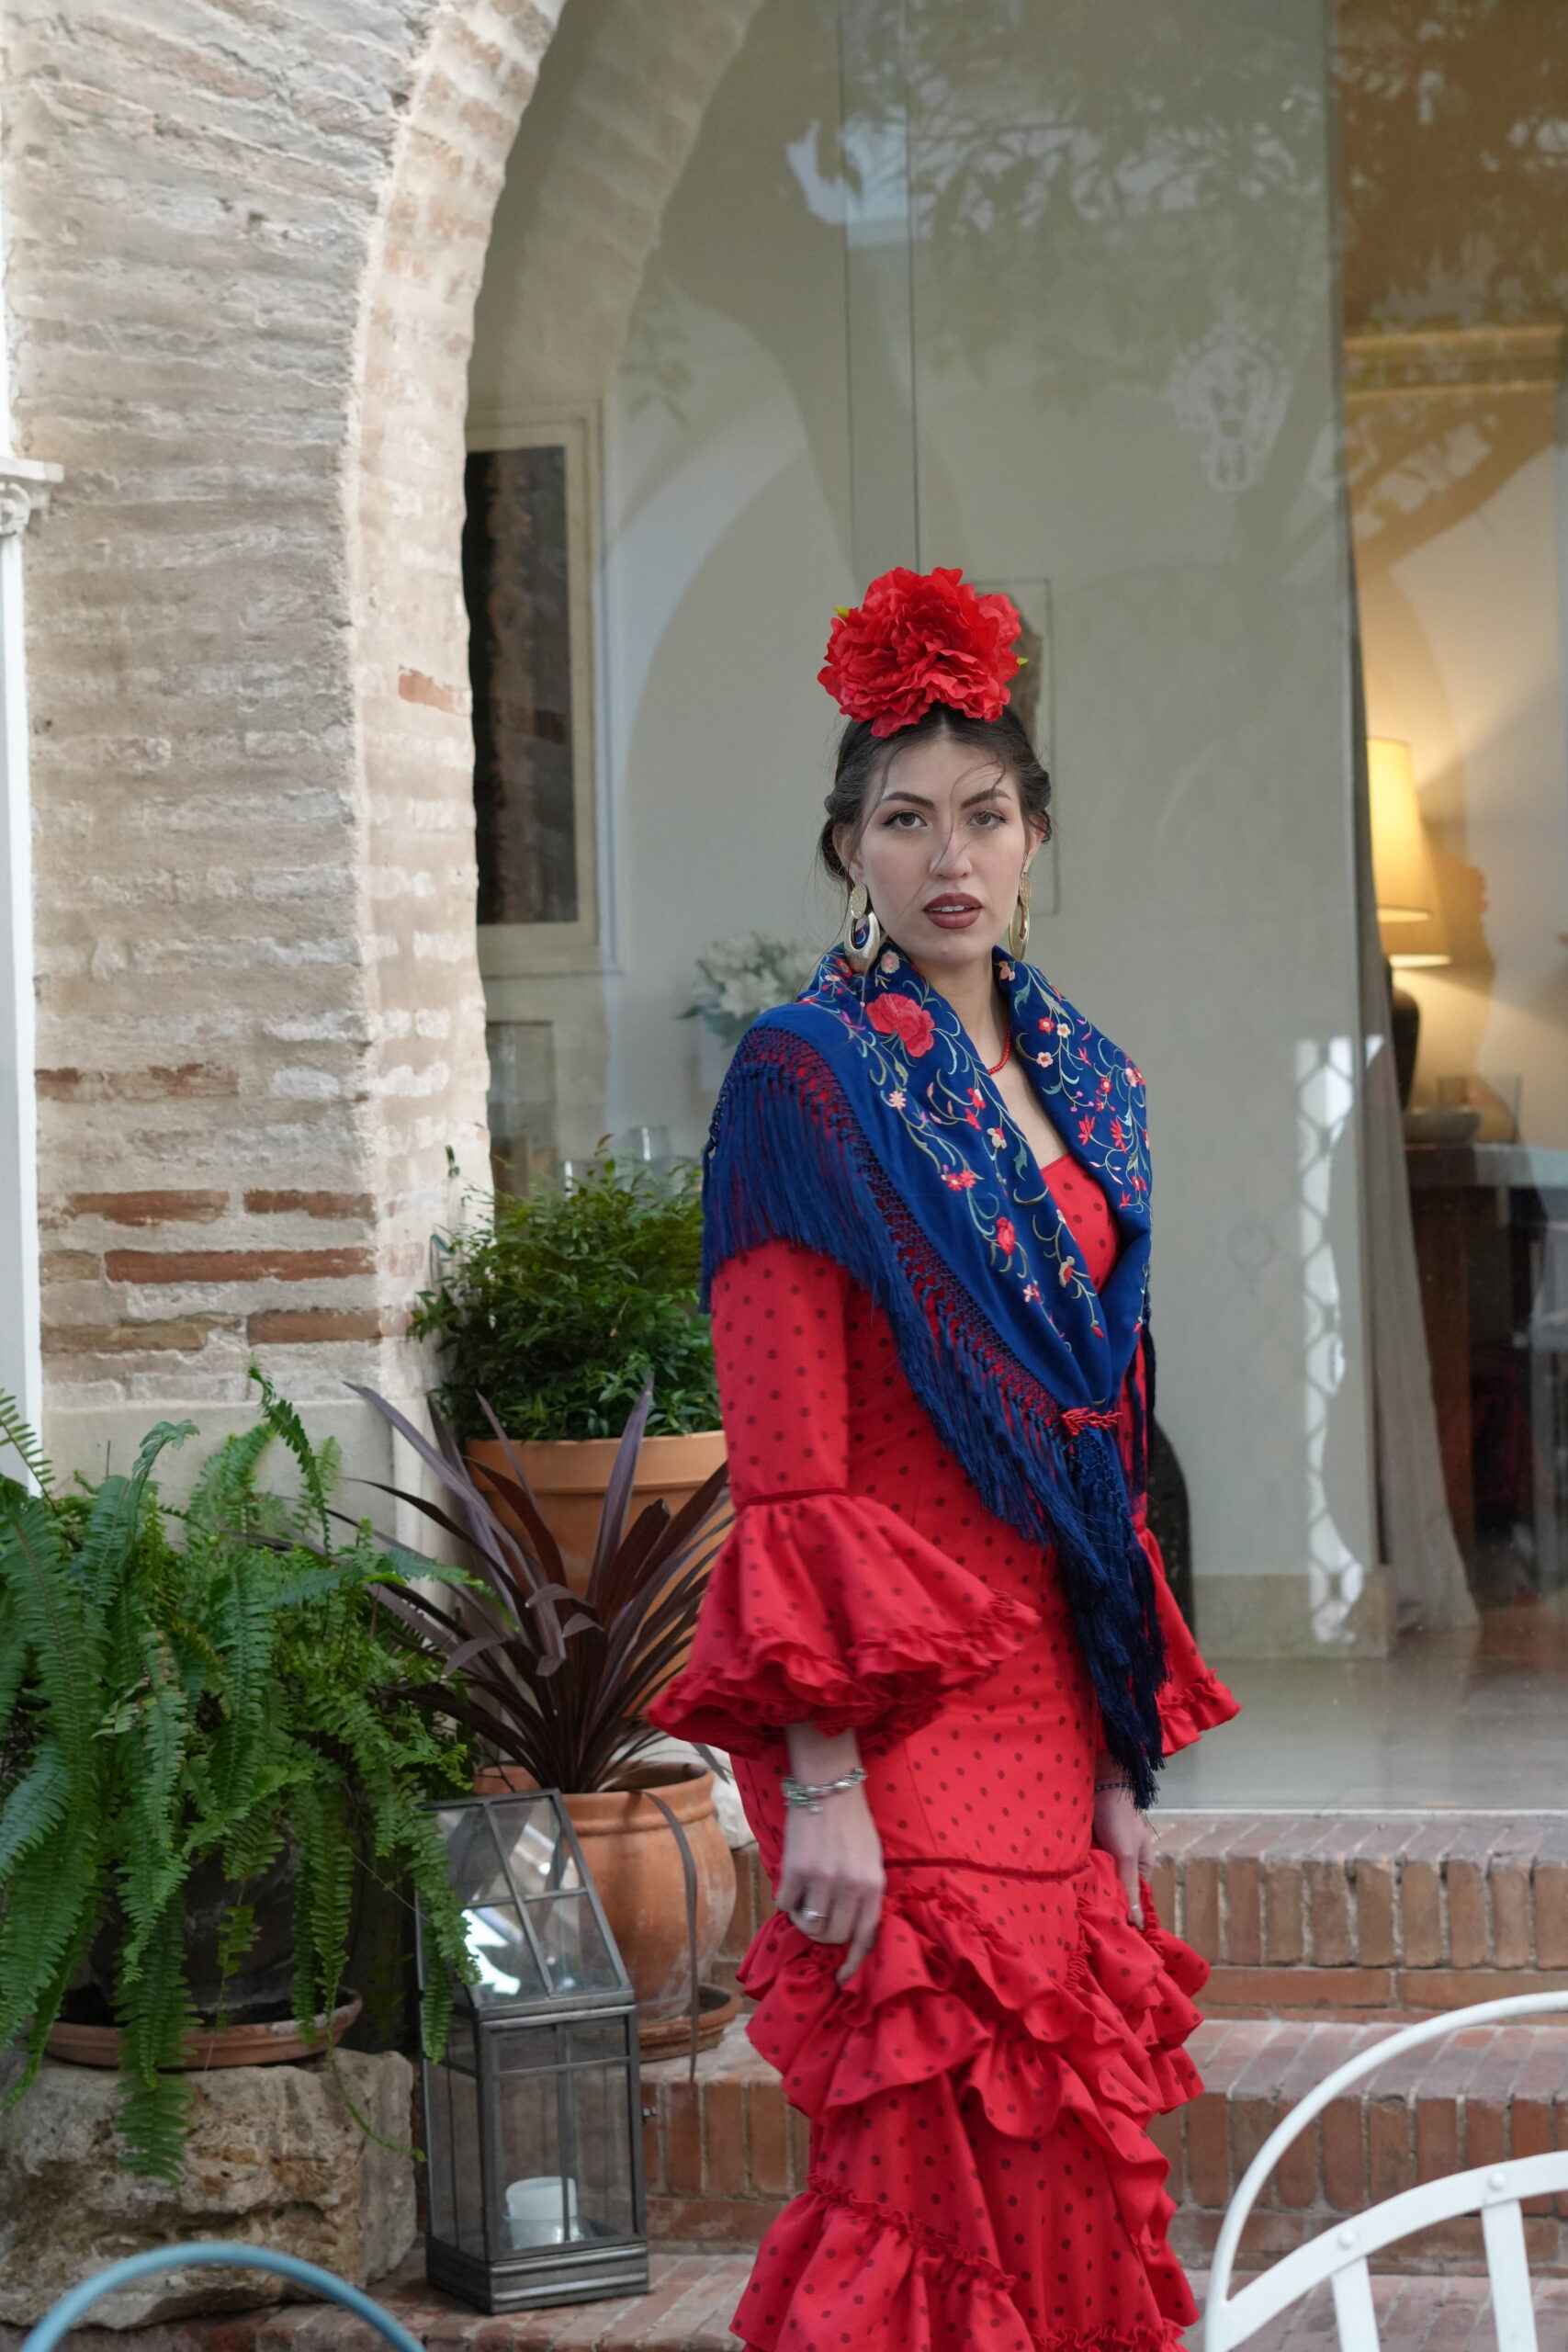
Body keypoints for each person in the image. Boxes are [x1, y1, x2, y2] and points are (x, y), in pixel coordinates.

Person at [648, 564, 1237, 2352]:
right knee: (922, 2169)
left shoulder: (1094, 1085)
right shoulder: (804, 1078)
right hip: (888, 1712)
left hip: (1048, 1695)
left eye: (982, 813)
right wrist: (819, 1770)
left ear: (1035, 836)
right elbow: (786, 1452)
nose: (947, 855)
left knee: (1058, 2155)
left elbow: (1104, 1448)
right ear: (849, 851)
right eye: (903, 819)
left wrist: (1121, 1744)